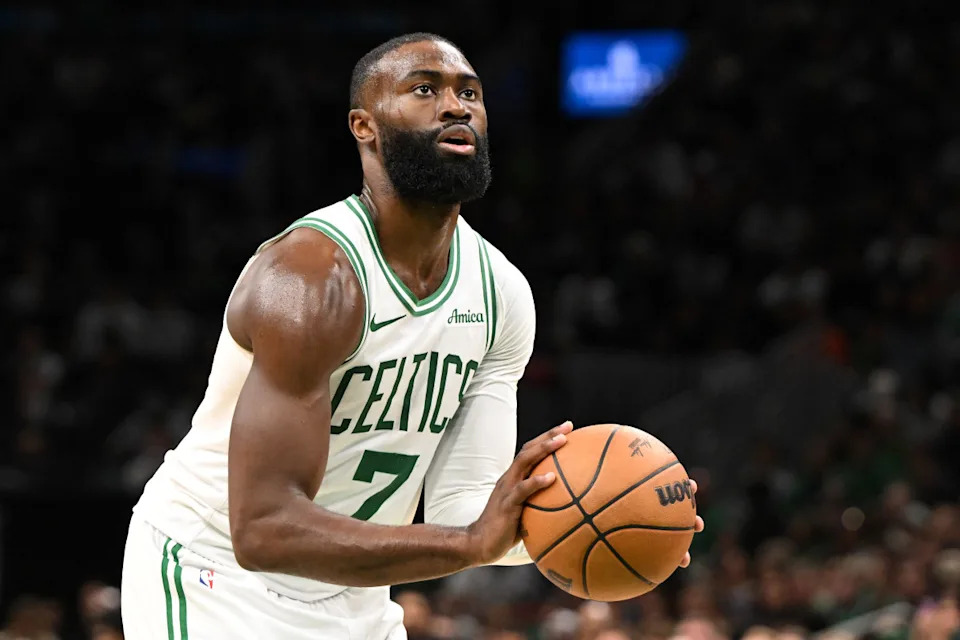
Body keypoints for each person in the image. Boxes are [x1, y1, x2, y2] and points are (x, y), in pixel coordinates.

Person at [119, 32, 703, 639]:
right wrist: (473, 543)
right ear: (364, 126)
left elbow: (466, 513)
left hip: (356, 592)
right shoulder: (310, 279)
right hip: (216, 572)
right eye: (426, 89)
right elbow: (263, 529)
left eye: (470, 93)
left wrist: (610, 519)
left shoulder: (502, 295)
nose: (457, 106)